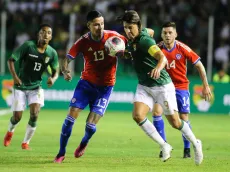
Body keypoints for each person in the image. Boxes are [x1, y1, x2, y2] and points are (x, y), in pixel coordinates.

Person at [118, 10, 203, 165]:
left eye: (130, 27)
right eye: (125, 27)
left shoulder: (145, 42)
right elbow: (149, 31)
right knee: (138, 115)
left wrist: (158, 67)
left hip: (162, 85)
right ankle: (164, 145)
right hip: (144, 84)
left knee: (176, 123)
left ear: (138, 26)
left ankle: (196, 144)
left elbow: (162, 57)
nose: (128, 31)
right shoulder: (135, 38)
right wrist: (126, 53)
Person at [54, 10, 127, 163]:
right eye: (96, 24)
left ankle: (84, 142)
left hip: (105, 87)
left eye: (102, 24)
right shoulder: (83, 41)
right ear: (89, 25)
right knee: (69, 118)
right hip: (86, 84)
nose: (100, 27)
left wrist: (126, 52)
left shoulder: (114, 37)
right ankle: (61, 153)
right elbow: (67, 58)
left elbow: (131, 43)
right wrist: (65, 71)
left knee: (91, 125)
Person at [152, 22, 213, 158]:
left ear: (175, 34)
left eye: (170, 32)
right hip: (162, 86)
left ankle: (187, 149)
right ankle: (164, 146)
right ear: (161, 35)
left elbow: (200, 65)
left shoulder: (182, 48)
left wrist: (206, 85)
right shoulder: (157, 48)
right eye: (164, 33)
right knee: (156, 113)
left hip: (180, 86)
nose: (167, 35)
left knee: (183, 118)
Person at [3, 24, 59, 150]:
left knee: (35, 113)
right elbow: (11, 60)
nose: (45, 34)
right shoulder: (28, 46)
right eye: (43, 32)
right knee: (17, 117)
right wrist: (15, 78)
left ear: (51, 37)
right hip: (21, 86)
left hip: (36, 87)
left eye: (49, 32)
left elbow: (55, 70)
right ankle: (9, 132)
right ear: (38, 34)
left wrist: (53, 79)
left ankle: (25, 143)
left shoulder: (52, 52)